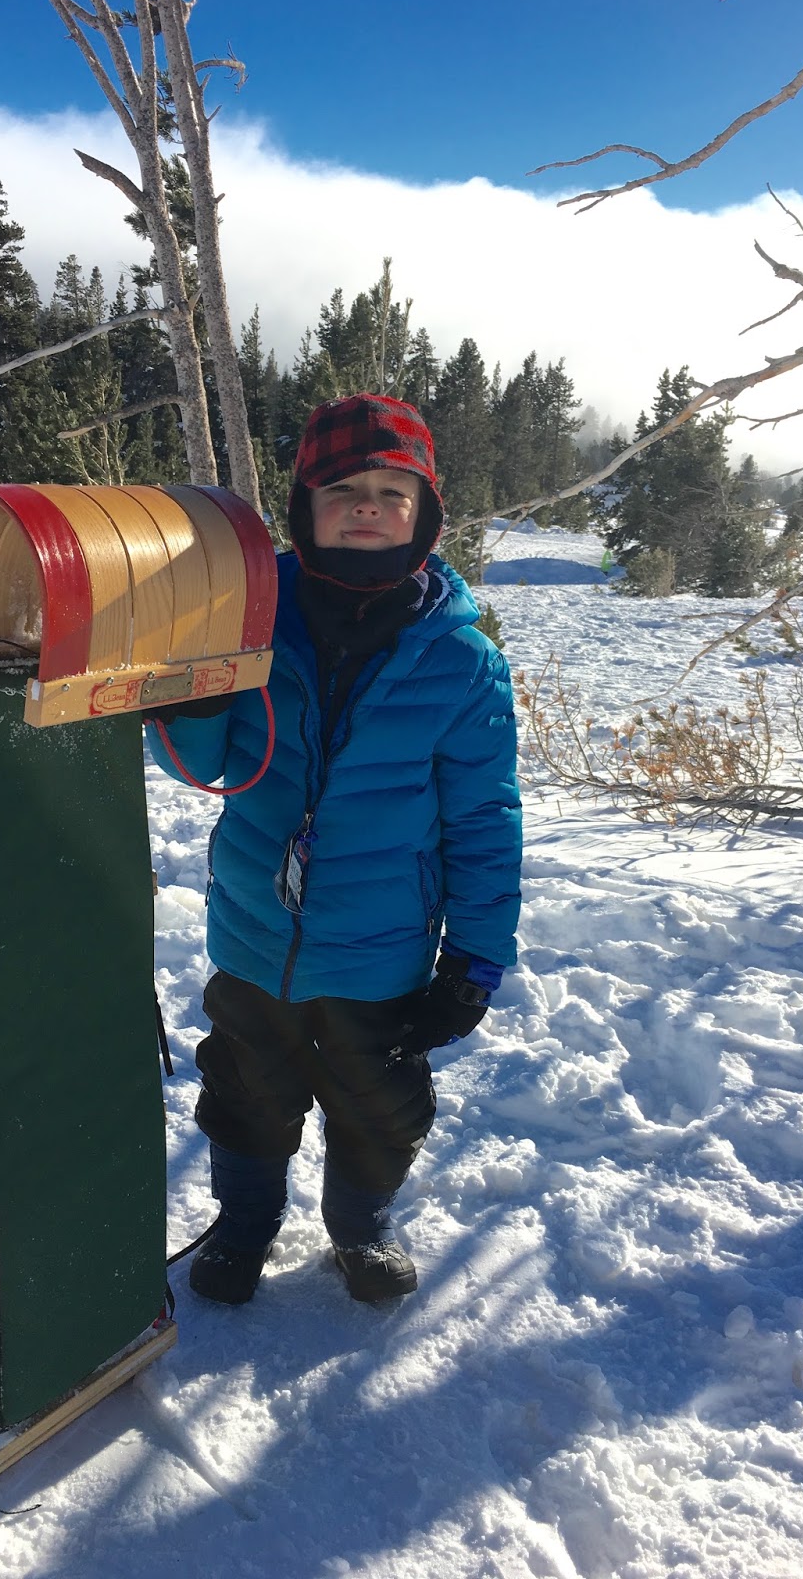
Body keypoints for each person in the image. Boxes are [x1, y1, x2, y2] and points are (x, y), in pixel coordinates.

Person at [146, 394, 522, 1305]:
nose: (367, 504)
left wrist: (474, 957)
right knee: (245, 1098)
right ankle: (241, 1228)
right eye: (343, 488)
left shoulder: (462, 661)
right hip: (253, 942)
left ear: (425, 514)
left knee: (378, 1114)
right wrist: (189, 701)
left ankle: (360, 1234)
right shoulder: (251, 617)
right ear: (306, 507)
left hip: (381, 953)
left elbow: (484, 819)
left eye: (393, 491)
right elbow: (203, 764)